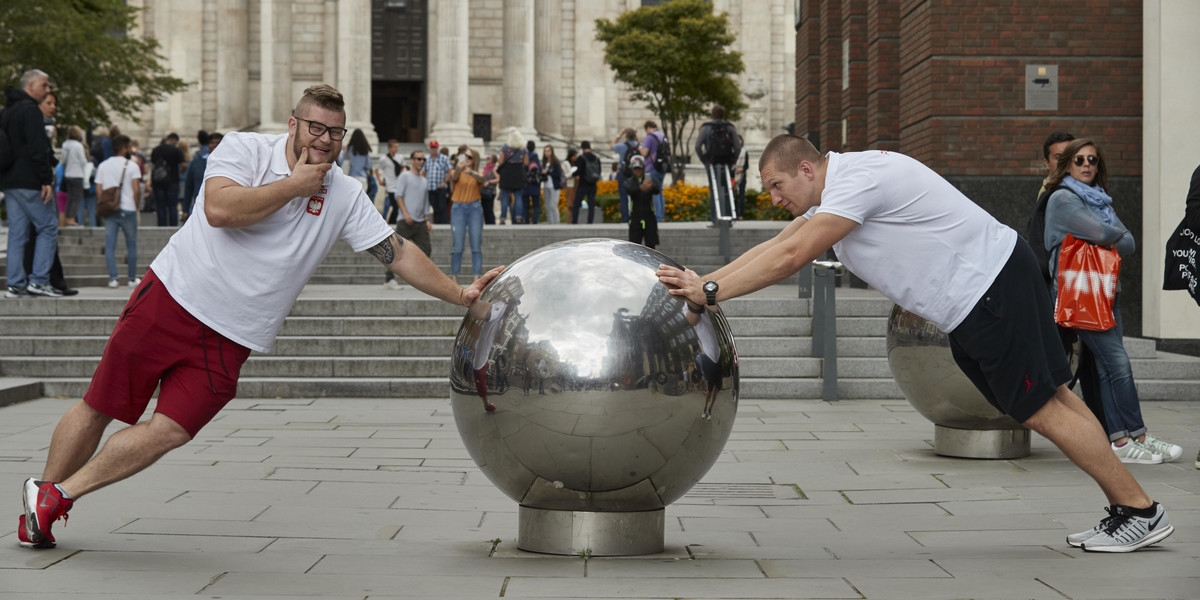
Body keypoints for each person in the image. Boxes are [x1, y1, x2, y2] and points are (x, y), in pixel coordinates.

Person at [17, 84, 502, 550]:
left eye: (335, 132)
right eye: (316, 128)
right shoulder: (245, 150)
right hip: (174, 296)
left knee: (173, 429)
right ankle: (42, 505)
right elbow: (220, 209)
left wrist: (459, 293)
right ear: (293, 124)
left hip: (233, 333)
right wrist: (292, 186)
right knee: (102, 404)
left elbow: (395, 252)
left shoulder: (346, 194)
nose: (325, 140)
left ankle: (56, 496)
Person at [657, 134, 1174, 553]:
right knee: (1055, 399)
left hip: (989, 288)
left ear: (807, 170)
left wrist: (709, 290)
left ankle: (1139, 510)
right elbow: (778, 242)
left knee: (1041, 407)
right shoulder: (843, 185)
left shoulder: (856, 180)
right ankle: (1133, 509)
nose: (773, 198)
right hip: (992, 284)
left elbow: (792, 256)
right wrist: (707, 283)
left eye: (776, 185)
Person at [1043, 138, 1182, 466]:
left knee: (1107, 368)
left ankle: (1120, 439)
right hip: (1081, 294)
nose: (1087, 164)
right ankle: (1139, 435)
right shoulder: (1064, 199)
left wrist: (1109, 234)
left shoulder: (1100, 199)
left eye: (1093, 159)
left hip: (1105, 291)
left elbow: (1129, 242)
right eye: (1079, 160)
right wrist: (1109, 234)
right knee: (1118, 362)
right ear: (1068, 165)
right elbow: (1110, 235)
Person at [3, 69, 60, 298]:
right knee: (47, 227)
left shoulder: (7, 111)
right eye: (44, 86)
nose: (47, 90)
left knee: (17, 232)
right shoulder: (31, 112)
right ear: (31, 86)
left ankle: (15, 283)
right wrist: (46, 178)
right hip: (29, 180)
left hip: (9, 180)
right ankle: (38, 280)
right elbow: (38, 148)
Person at [96, 135, 142, 289]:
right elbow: (136, 190)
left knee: (110, 245)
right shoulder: (133, 166)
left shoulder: (103, 166)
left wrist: (106, 204)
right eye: (128, 147)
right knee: (131, 244)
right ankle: (131, 278)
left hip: (110, 211)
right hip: (128, 210)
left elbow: (99, 190)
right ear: (124, 148)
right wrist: (136, 206)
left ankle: (113, 278)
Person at [385, 149, 433, 290]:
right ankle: (389, 279)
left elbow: (425, 203)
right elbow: (398, 196)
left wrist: (427, 220)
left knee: (426, 249)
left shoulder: (424, 181)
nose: (421, 162)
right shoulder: (404, 176)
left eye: (423, 160)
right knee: (397, 250)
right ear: (412, 160)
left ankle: (419, 278)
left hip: (420, 222)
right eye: (418, 159)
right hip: (405, 221)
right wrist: (405, 213)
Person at [694, 104, 742, 223]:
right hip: (726, 161)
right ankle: (728, 218)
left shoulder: (706, 128)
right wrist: (733, 161)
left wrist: (704, 160)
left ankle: (715, 219)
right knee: (727, 190)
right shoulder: (730, 128)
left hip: (712, 162)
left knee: (714, 190)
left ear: (712, 114)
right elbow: (737, 147)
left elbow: (697, 146)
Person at [449, 149, 485, 283]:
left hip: (475, 208)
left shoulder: (477, 174)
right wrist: (459, 168)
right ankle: (454, 277)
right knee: (457, 245)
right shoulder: (456, 171)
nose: (467, 159)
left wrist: (472, 172)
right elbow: (454, 177)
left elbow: (482, 178)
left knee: (476, 243)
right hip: (458, 208)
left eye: (470, 157)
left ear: (474, 159)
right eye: (465, 156)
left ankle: (476, 277)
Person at [183, 132, 222, 222]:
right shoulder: (196, 163)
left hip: (221, 208)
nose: (215, 145)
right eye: (212, 143)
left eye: (218, 143)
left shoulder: (231, 163)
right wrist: (185, 209)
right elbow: (189, 186)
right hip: (199, 207)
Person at [624, 156, 660, 249]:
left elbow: (657, 190)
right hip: (635, 217)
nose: (638, 171)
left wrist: (651, 186)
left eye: (639, 169)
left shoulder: (649, 179)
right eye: (635, 169)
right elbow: (629, 190)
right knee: (634, 246)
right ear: (632, 169)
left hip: (649, 217)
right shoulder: (629, 181)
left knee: (651, 246)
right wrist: (640, 188)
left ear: (643, 168)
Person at [149, 133, 185, 226]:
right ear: (174, 140)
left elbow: (153, 163)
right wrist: (182, 172)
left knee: (160, 206)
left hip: (158, 181)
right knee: (172, 206)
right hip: (172, 181)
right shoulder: (176, 150)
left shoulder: (156, 150)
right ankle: (172, 228)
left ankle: (161, 227)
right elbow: (184, 165)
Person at [496, 130, 528, 225]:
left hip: (507, 173)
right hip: (518, 172)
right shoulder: (523, 149)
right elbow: (526, 163)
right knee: (518, 197)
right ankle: (518, 218)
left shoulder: (505, 148)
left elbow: (500, 162)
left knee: (505, 197)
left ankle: (502, 218)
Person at [61, 126, 88, 227]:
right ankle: (71, 219)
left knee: (70, 198)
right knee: (76, 197)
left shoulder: (65, 144)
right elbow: (83, 161)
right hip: (77, 174)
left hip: (68, 174)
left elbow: (63, 161)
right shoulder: (78, 146)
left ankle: (68, 218)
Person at [641, 120, 667, 222]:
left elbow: (644, 153)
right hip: (661, 168)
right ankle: (661, 215)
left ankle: (657, 217)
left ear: (647, 128)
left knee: (652, 192)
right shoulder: (662, 136)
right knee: (660, 191)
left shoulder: (649, 137)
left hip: (650, 169)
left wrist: (639, 148)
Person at [612, 128, 639, 222]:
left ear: (626, 136)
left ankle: (625, 219)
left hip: (623, 173)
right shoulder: (637, 145)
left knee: (623, 197)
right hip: (635, 173)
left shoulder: (622, 146)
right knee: (635, 197)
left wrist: (620, 133)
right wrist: (636, 137)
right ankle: (635, 217)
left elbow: (612, 146)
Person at [573, 141, 601, 224]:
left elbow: (579, 171)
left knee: (577, 203)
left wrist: (572, 174)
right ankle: (590, 221)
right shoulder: (596, 158)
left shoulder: (581, 158)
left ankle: (574, 221)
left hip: (583, 184)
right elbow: (599, 171)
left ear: (582, 148)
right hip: (593, 184)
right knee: (591, 204)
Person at [1040, 131, 1075, 197]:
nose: (1065, 161)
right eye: (1058, 158)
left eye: (1069, 156)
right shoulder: (1051, 194)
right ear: (1047, 163)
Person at [425, 140, 451, 225]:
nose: (433, 150)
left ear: (437, 148)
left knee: (442, 207)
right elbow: (423, 172)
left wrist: (444, 182)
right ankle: (437, 224)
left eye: (435, 148)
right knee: (435, 207)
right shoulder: (427, 159)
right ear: (430, 148)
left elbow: (450, 171)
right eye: (432, 148)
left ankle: (444, 224)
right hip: (430, 187)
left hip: (441, 187)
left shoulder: (444, 158)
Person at [379, 139, 403, 224]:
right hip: (390, 186)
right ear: (389, 148)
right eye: (395, 147)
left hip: (399, 185)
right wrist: (380, 180)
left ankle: (392, 222)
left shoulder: (400, 157)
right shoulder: (384, 159)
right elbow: (378, 169)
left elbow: (403, 167)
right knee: (395, 206)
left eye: (397, 147)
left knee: (397, 206)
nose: (397, 148)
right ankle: (392, 223)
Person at [540, 145, 564, 224]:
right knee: (547, 206)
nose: (547, 153)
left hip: (554, 186)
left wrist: (547, 172)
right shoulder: (544, 162)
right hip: (546, 186)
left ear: (552, 152)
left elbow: (558, 174)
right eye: (545, 151)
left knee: (553, 206)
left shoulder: (555, 162)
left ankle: (556, 223)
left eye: (548, 151)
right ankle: (550, 223)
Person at [523, 140, 541, 224]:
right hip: (534, 184)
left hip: (525, 184)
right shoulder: (535, 156)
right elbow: (539, 169)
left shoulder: (524, 156)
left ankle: (526, 221)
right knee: (536, 205)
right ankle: (534, 221)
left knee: (526, 205)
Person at [481, 153, 499, 225]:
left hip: (490, 191)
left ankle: (491, 223)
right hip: (484, 190)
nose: (486, 159)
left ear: (493, 160)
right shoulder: (486, 168)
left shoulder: (494, 168)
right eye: (486, 158)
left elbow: (498, 179)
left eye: (488, 158)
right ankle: (487, 223)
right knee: (484, 209)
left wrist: (489, 182)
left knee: (489, 209)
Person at [733, 135, 749, 219]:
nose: (739, 142)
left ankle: (741, 215)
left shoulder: (744, 152)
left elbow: (747, 166)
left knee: (742, 196)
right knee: (734, 196)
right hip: (733, 177)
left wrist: (741, 170)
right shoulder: (732, 151)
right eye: (737, 140)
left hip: (742, 176)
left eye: (740, 140)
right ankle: (734, 214)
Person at [563, 148, 579, 223]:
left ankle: (574, 221)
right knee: (570, 205)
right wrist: (572, 173)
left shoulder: (576, 163)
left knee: (575, 205)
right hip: (569, 185)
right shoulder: (566, 163)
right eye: (574, 156)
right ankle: (568, 222)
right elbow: (564, 175)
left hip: (576, 184)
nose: (575, 157)